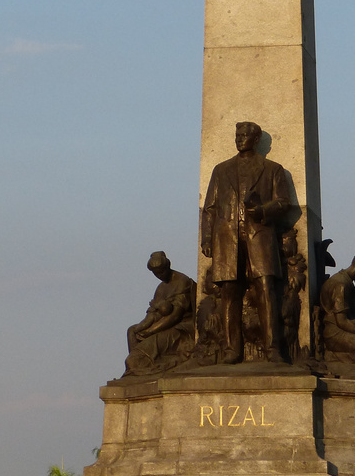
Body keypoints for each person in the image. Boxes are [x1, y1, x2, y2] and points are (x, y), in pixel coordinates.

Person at [200, 121, 293, 363]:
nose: (239, 139)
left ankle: (272, 348)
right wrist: (207, 238)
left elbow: (283, 202)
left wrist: (262, 210)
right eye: (237, 135)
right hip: (227, 238)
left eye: (244, 135)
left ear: (256, 138)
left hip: (259, 235)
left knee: (265, 289)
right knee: (229, 291)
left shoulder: (272, 169)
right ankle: (232, 349)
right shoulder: (221, 170)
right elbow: (209, 207)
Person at [123, 252, 197, 375]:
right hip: (163, 325)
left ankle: (142, 366)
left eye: (161, 271)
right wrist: (142, 327)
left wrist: (150, 331)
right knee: (132, 330)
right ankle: (136, 370)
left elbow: (175, 316)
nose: (159, 275)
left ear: (168, 267)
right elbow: (152, 314)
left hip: (182, 328)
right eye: (156, 273)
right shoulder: (160, 288)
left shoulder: (182, 281)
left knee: (135, 358)